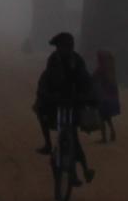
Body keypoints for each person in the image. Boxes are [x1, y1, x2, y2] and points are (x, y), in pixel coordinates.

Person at [32, 30, 97, 177]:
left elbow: (86, 80)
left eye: (70, 45)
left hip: (74, 101)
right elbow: (46, 81)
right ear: (58, 47)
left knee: (73, 137)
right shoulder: (53, 61)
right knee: (41, 112)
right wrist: (46, 95)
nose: (68, 48)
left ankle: (85, 169)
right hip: (55, 100)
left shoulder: (77, 60)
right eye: (65, 46)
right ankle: (48, 144)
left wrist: (88, 96)